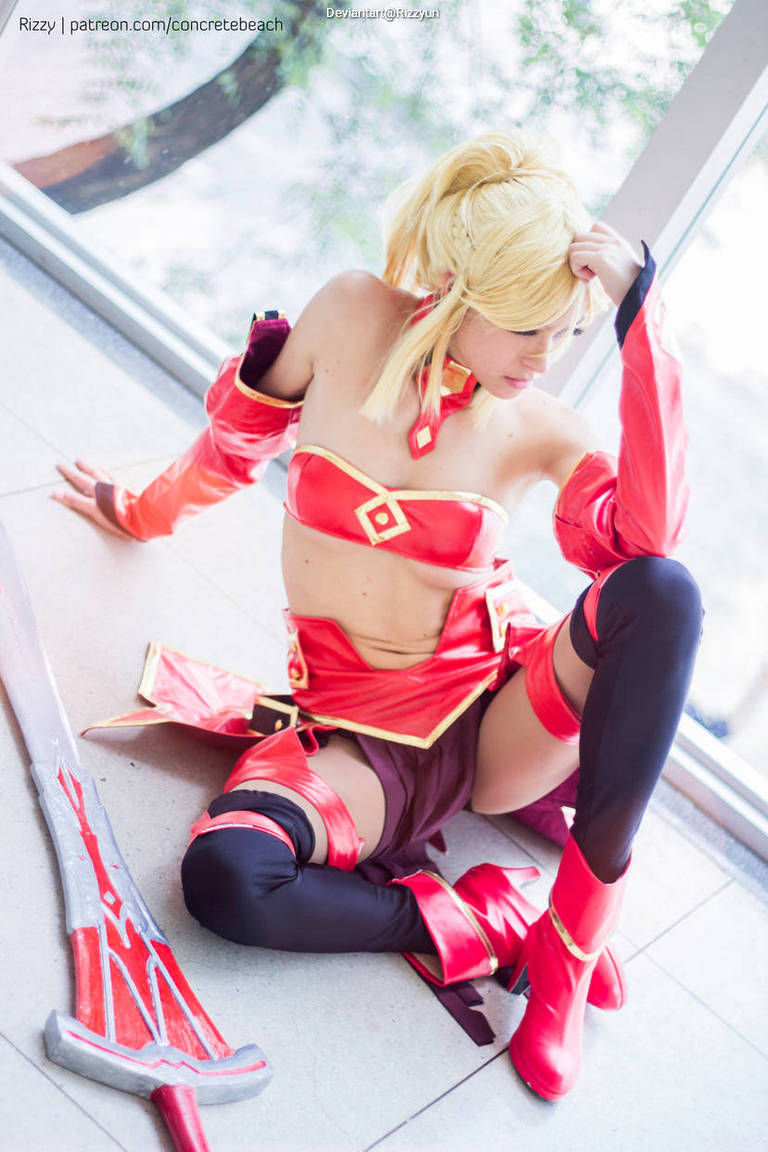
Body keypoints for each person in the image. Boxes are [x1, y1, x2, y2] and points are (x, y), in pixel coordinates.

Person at [54, 131, 702, 1101]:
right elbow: (236, 450)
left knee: (663, 594)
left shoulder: (536, 427)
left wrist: (642, 318)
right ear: (456, 285)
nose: (544, 359)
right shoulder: (350, 312)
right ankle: (480, 927)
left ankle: (567, 951)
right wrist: (138, 508)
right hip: (361, 734)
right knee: (227, 879)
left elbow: (648, 536)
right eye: (526, 326)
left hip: (504, 718)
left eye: (565, 333)